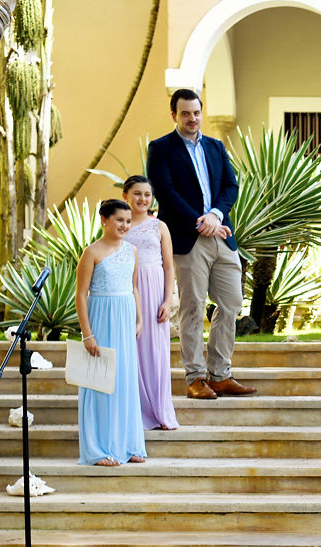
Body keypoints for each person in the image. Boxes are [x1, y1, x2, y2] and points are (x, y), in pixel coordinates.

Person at [146, 88, 256, 401]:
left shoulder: (216, 146)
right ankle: (195, 376)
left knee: (232, 302)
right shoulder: (161, 148)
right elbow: (164, 191)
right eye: (185, 113)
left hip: (221, 235)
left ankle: (220, 374)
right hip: (188, 237)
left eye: (196, 113)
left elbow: (230, 186)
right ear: (174, 115)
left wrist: (216, 214)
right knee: (192, 308)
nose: (192, 119)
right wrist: (200, 220)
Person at [75, 200, 147, 467]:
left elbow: (133, 287)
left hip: (125, 317)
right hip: (101, 318)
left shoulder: (132, 251)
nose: (125, 226)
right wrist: (87, 334)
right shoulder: (91, 252)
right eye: (119, 220)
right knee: (100, 382)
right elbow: (80, 295)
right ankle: (98, 449)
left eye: (128, 221)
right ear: (104, 220)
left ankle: (128, 445)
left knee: (126, 380)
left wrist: (139, 319)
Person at [122, 175, 179, 431]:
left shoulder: (160, 227)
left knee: (155, 352)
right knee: (131, 350)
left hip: (154, 290)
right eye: (137, 193)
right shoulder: (119, 225)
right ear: (125, 196)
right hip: (126, 291)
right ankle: (135, 412)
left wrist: (167, 300)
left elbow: (169, 266)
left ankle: (159, 411)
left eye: (147, 194)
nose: (143, 199)